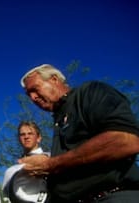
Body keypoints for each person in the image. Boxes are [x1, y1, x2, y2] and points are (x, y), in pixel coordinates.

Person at [19, 64, 139, 202]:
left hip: (113, 195)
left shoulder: (89, 93)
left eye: (34, 89)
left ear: (54, 80)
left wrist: (51, 165)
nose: (33, 98)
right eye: (29, 95)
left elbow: (126, 141)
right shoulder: (58, 119)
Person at [2, 121, 49, 203]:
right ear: (19, 139)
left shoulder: (53, 159)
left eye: (30, 133)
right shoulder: (10, 171)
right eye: (22, 134)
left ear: (39, 138)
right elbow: (7, 198)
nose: (26, 136)